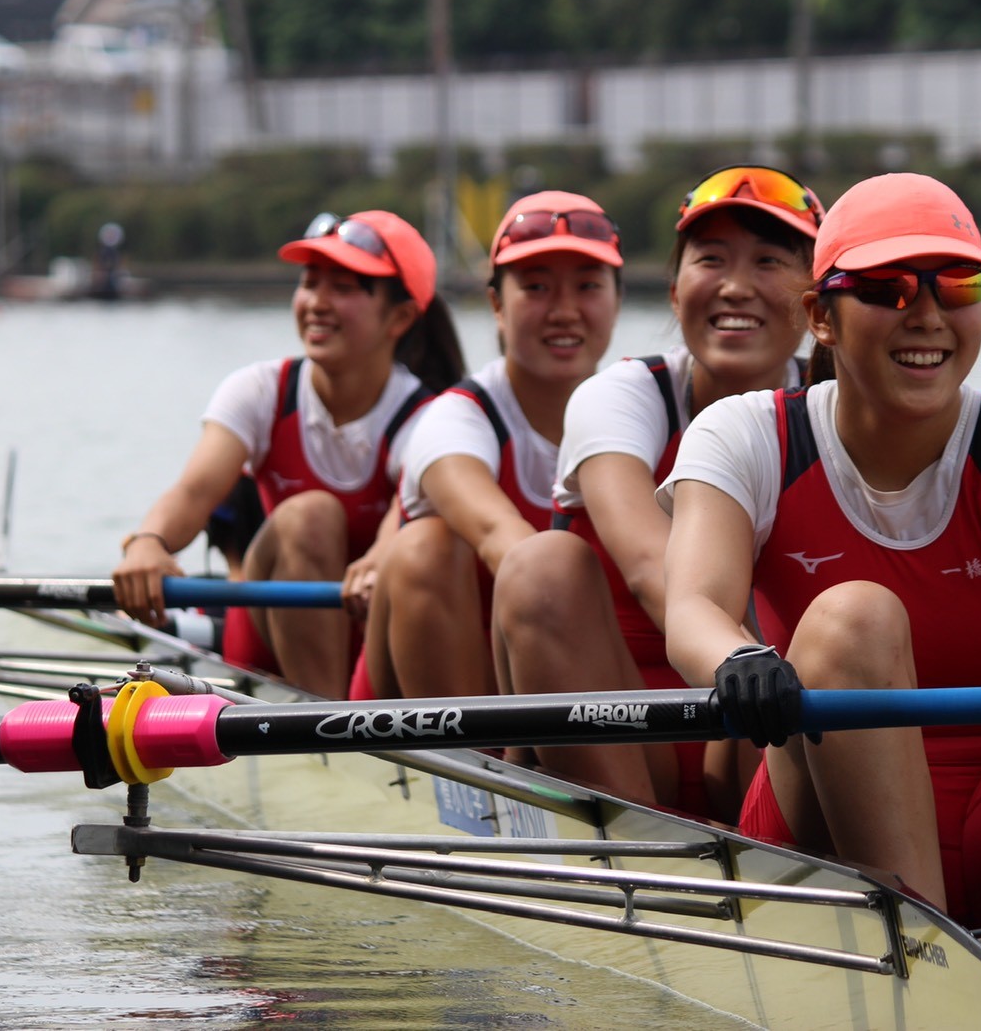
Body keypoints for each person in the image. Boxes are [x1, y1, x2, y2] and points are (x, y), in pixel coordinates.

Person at [661, 172, 981, 927]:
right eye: (889, 288)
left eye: (957, 286)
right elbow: (694, 605)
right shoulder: (745, 435)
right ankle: (924, 954)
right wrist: (735, 660)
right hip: (824, 839)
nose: (927, 315)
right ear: (820, 318)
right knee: (851, 617)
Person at [490, 166, 825, 814]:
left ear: (815, 306)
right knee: (541, 565)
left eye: (768, 261)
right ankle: (630, 848)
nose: (735, 285)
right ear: (675, 294)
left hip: (759, 737)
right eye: (711, 260)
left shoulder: (837, 413)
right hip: (621, 735)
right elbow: (651, 567)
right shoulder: (619, 396)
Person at [113, 210, 467, 698]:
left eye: (343, 288)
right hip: (264, 649)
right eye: (310, 282)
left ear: (400, 317)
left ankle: (337, 740)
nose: (317, 303)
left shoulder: (432, 417)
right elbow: (194, 491)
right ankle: (325, 739)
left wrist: (384, 553)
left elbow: (403, 519)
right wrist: (147, 543)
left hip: (377, 661)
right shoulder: (259, 391)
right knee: (309, 515)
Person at [355, 191, 623, 701]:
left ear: (617, 300)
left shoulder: (643, 406)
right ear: (497, 305)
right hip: (441, 701)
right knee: (426, 546)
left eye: (588, 287)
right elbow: (505, 541)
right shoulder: (455, 417)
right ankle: (468, 765)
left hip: (558, 685)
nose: (565, 311)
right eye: (537, 288)